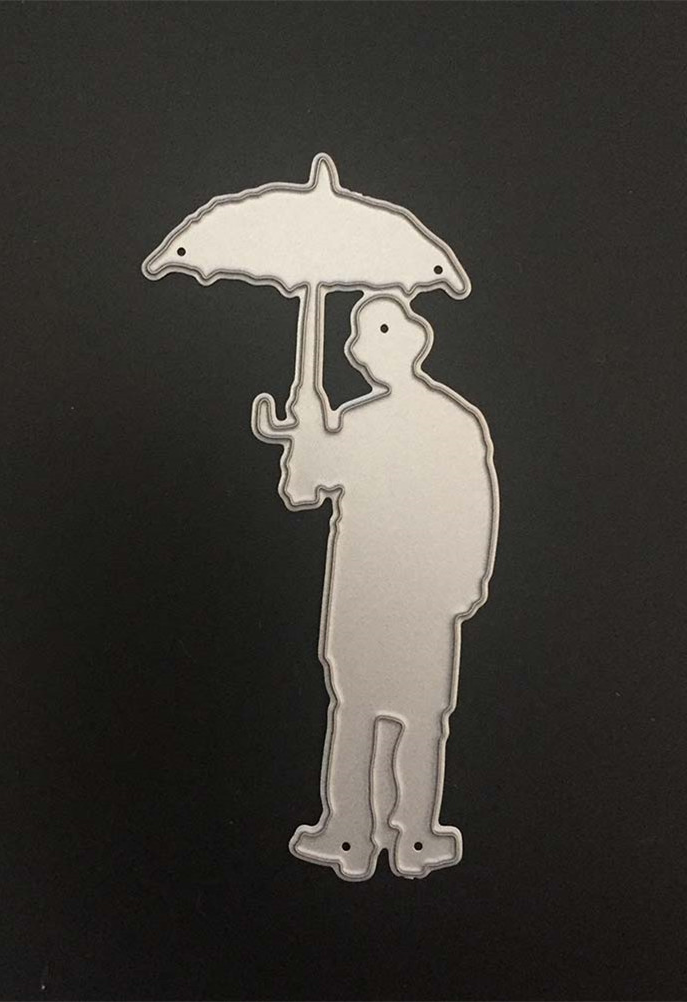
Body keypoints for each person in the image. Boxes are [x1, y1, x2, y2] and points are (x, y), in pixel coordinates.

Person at [252, 294, 499, 879]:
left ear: (412, 342)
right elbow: (305, 488)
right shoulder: (361, 423)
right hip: (365, 596)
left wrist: (465, 583)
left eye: (377, 335)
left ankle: (411, 833)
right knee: (361, 710)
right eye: (364, 339)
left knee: (414, 716)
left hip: (421, 594)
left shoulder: (454, 425)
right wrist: (306, 427)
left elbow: (476, 508)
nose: (366, 350)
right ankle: (352, 832)